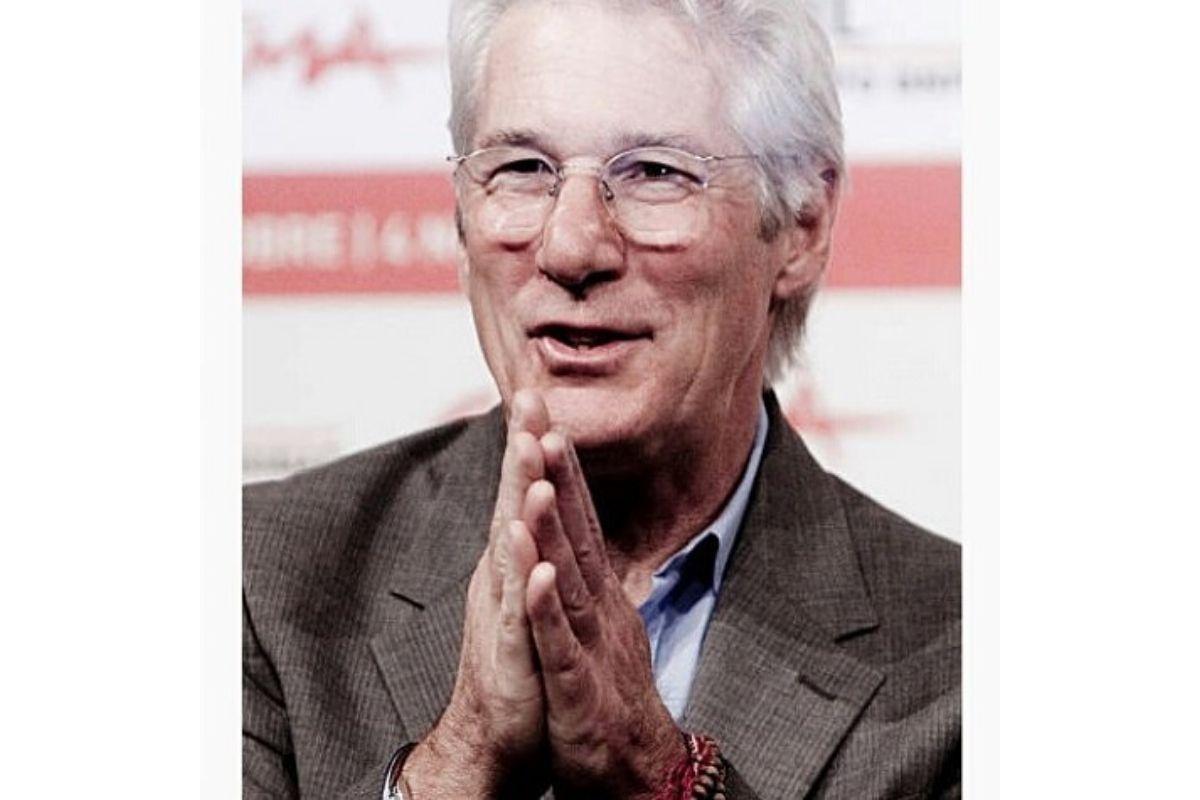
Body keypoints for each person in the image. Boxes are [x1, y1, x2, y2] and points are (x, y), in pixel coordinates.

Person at [242, 0, 961, 797]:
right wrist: (458, 764)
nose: (571, 245)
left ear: (802, 224)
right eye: (522, 168)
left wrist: (662, 777)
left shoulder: (961, 664)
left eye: (655, 172)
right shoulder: (260, 583)